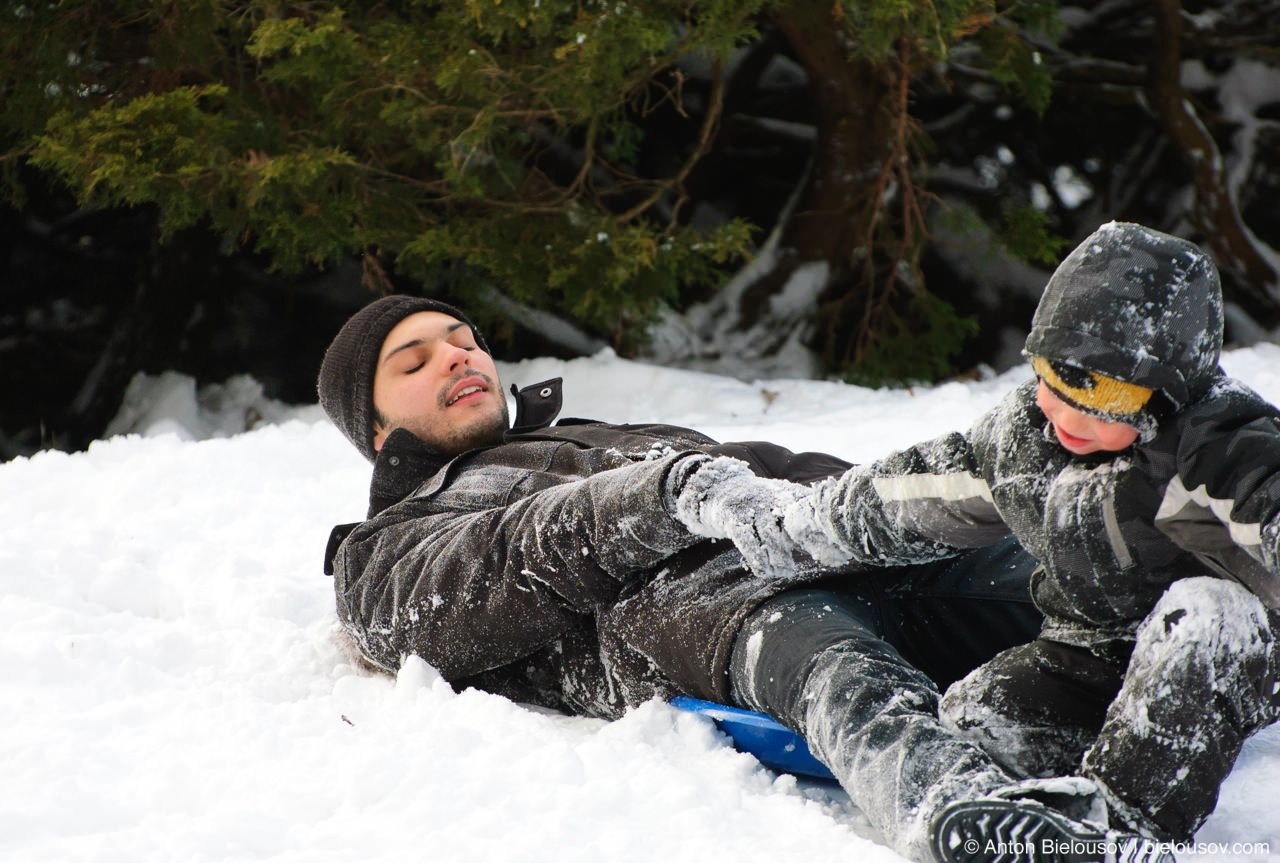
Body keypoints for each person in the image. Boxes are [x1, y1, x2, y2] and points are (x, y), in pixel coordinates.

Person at [316, 293, 1167, 863]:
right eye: (415, 359)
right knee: (833, 662)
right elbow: (485, 578)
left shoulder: (617, 428)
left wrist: (932, 510)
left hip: (824, 549)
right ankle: (963, 811)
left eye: (464, 339)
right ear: (374, 418)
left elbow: (787, 470)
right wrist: (669, 494)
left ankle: (1175, 682)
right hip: (703, 612)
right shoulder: (389, 540)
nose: (458, 357)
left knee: (1086, 582)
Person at [769, 221, 1280, 846]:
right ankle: (1016, 822)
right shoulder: (1024, 445)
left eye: (1094, 397)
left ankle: (1120, 826)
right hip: (1088, 652)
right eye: (1048, 381)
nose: (1060, 412)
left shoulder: (1216, 447)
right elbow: (913, 494)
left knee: (1203, 613)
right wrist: (792, 529)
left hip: (1218, 658)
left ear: (1160, 393)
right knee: (970, 715)